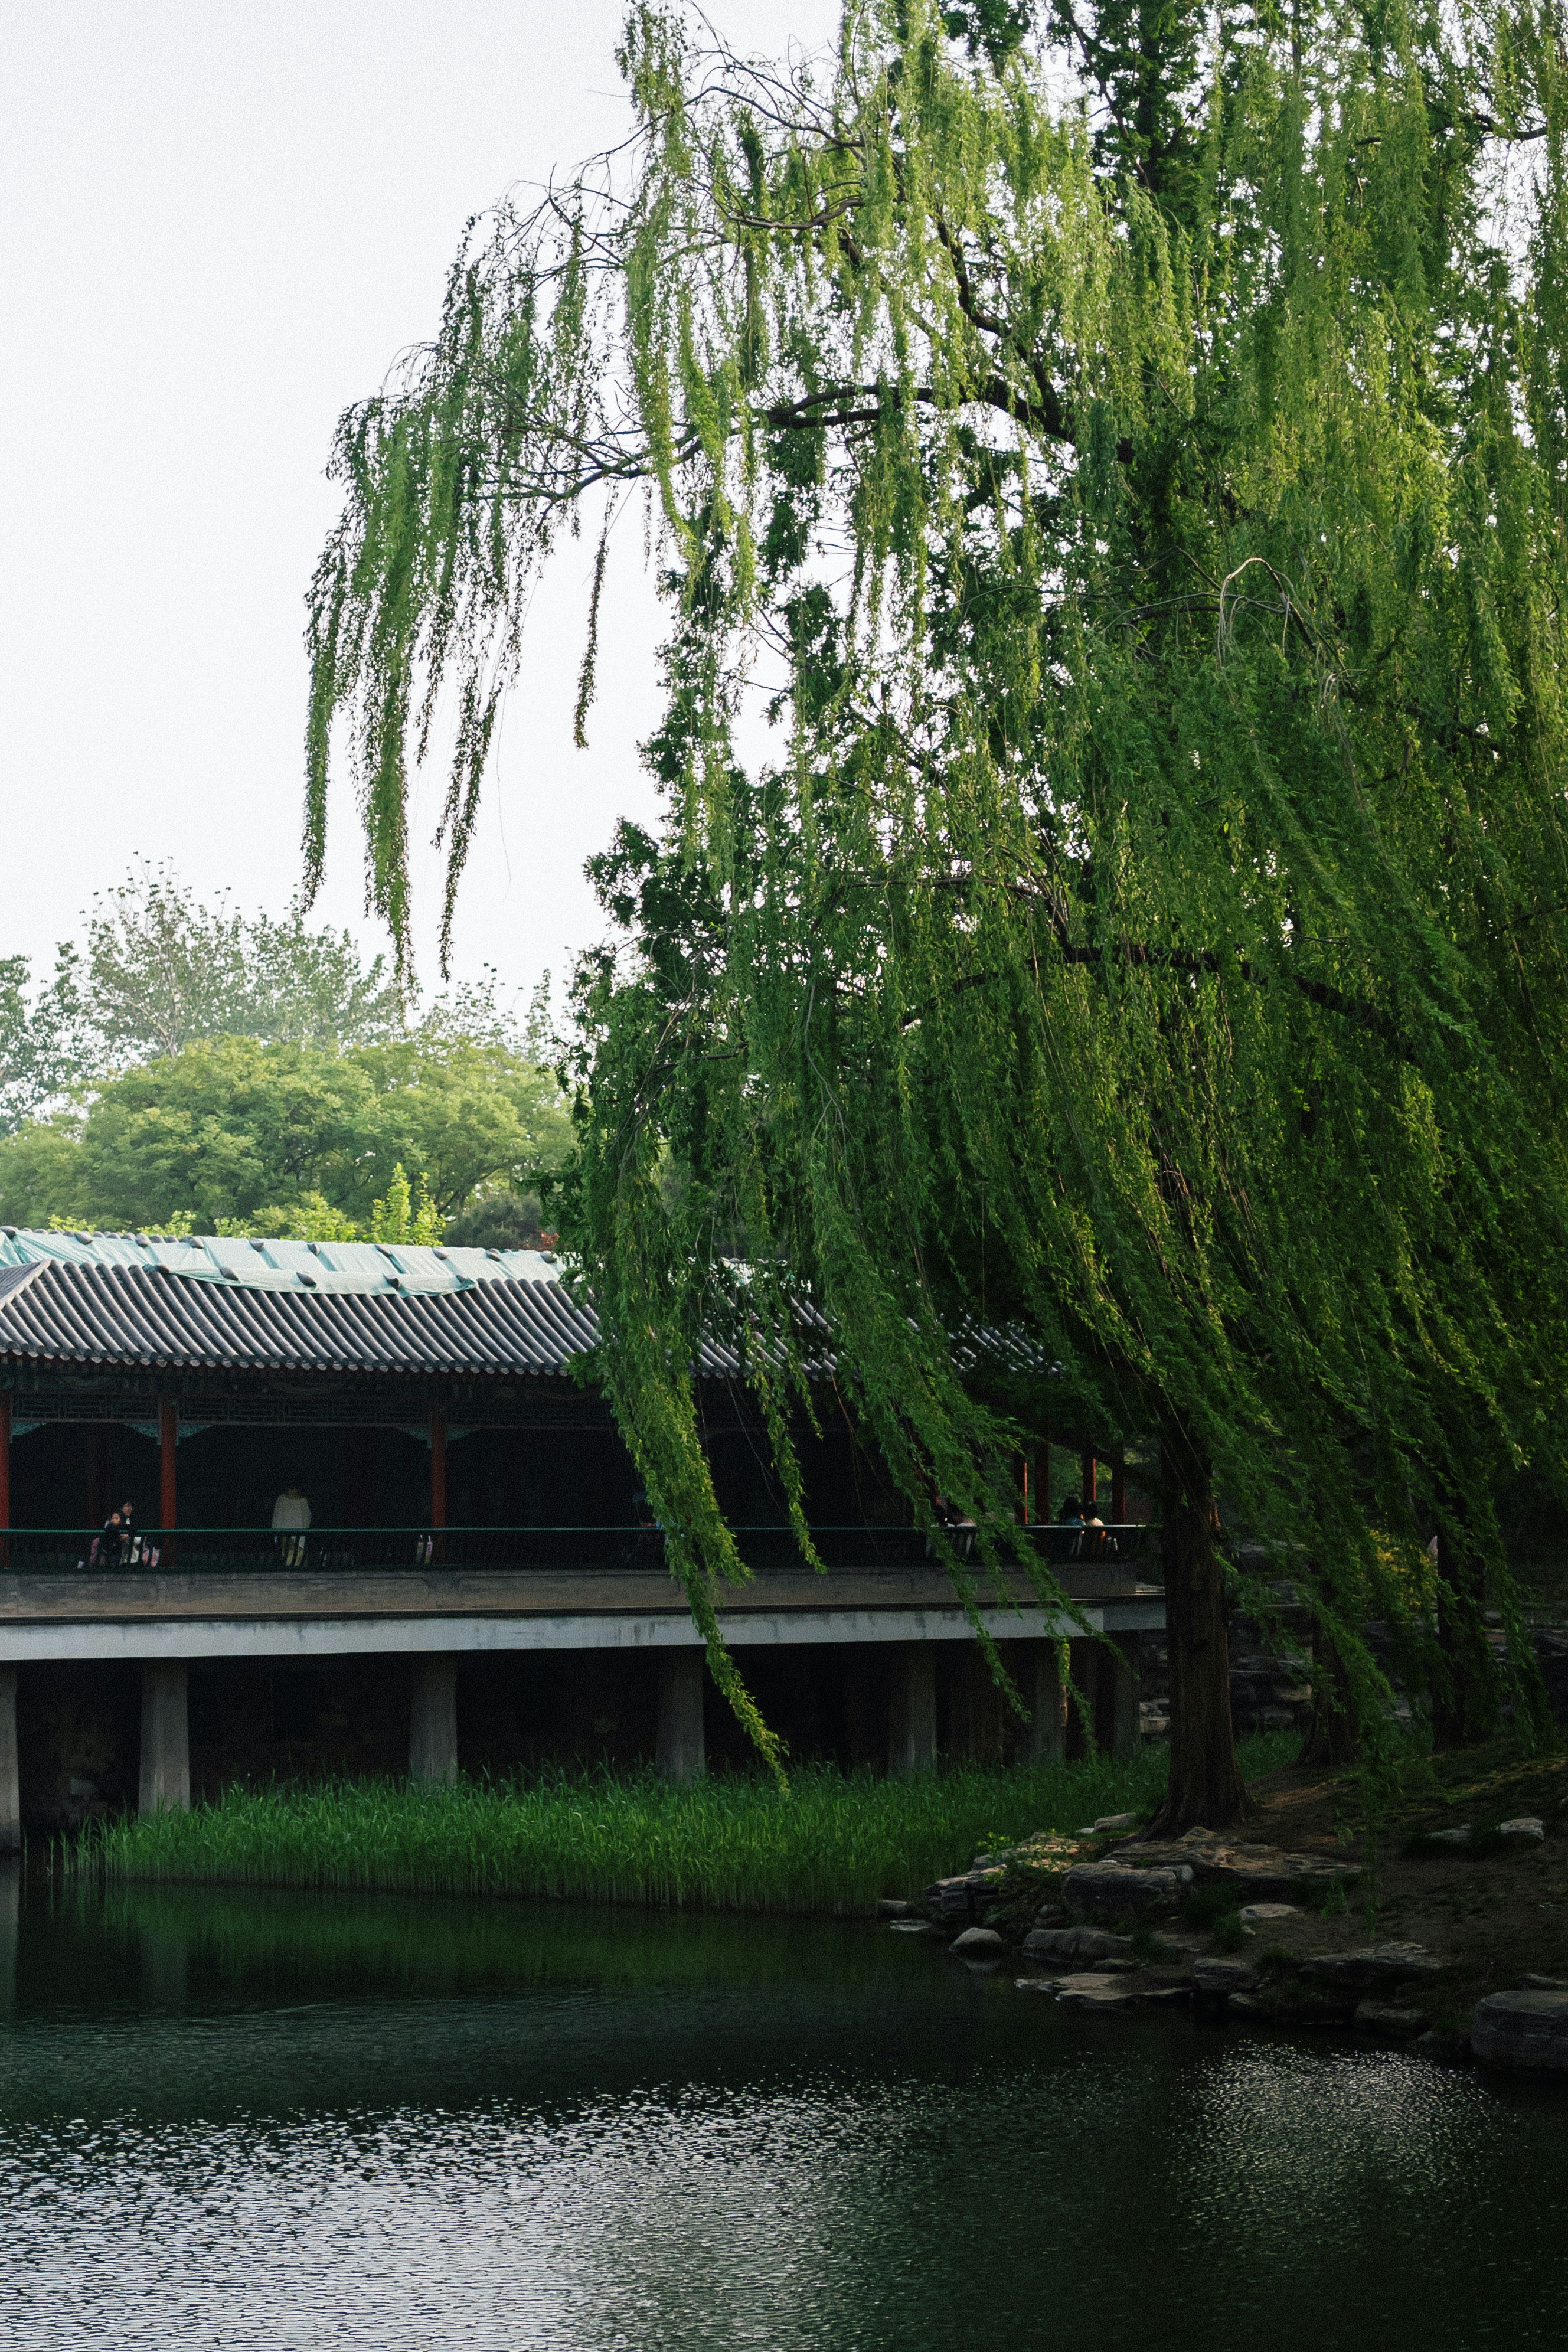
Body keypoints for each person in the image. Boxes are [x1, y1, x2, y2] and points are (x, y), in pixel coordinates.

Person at [272, 1485, 312, 1568]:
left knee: (287, 1557)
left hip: (283, 1534)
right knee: (296, 1558)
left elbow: (276, 1519)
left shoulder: (281, 1499)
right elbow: (307, 1519)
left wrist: (276, 1535)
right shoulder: (303, 1501)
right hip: (300, 1537)